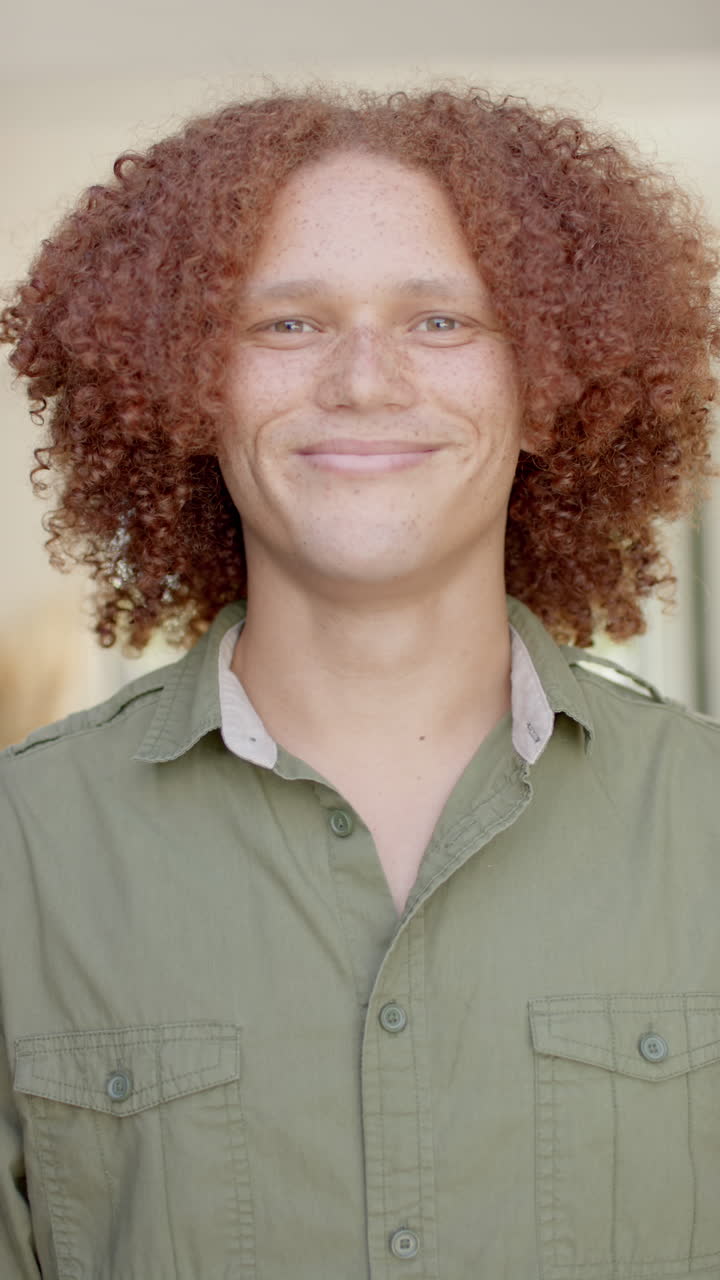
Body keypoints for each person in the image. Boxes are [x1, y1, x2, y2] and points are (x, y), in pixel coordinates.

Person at [1, 83, 719, 1279]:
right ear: (188, 388)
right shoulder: (21, 850)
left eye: (441, 321)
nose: (366, 380)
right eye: (287, 324)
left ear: (551, 383)